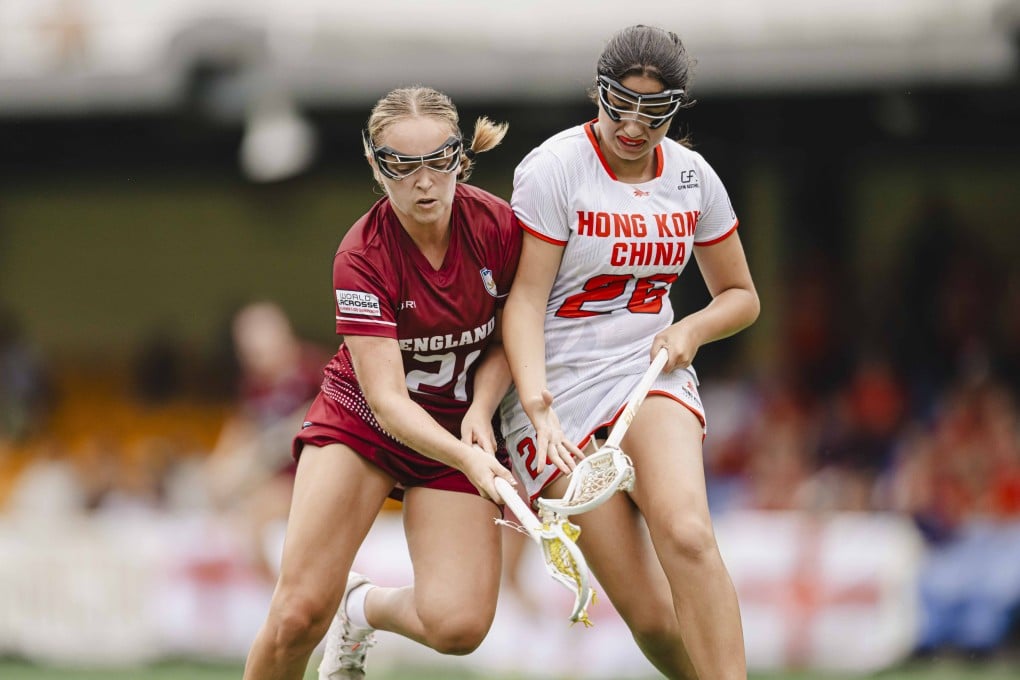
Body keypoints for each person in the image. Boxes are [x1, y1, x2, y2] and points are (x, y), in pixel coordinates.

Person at [500, 25, 760, 680]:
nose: (635, 126)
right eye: (620, 105)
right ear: (598, 91)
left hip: (645, 373)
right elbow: (523, 301)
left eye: (656, 111)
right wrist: (536, 403)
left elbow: (740, 296)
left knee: (687, 532)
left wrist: (692, 329)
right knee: (650, 617)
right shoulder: (555, 168)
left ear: (677, 109)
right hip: (552, 390)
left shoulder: (693, 177)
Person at [242, 86, 520, 680]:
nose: (425, 182)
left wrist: (482, 410)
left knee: (459, 626)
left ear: (461, 155)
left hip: (456, 430)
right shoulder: (361, 255)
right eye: (402, 165)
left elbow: (510, 340)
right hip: (365, 425)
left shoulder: (498, 226)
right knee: (296, 615)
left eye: (439, 160)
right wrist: (468, 459)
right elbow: (389, 401)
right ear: (374, 164)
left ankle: (359, 607)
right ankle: (327, 610)